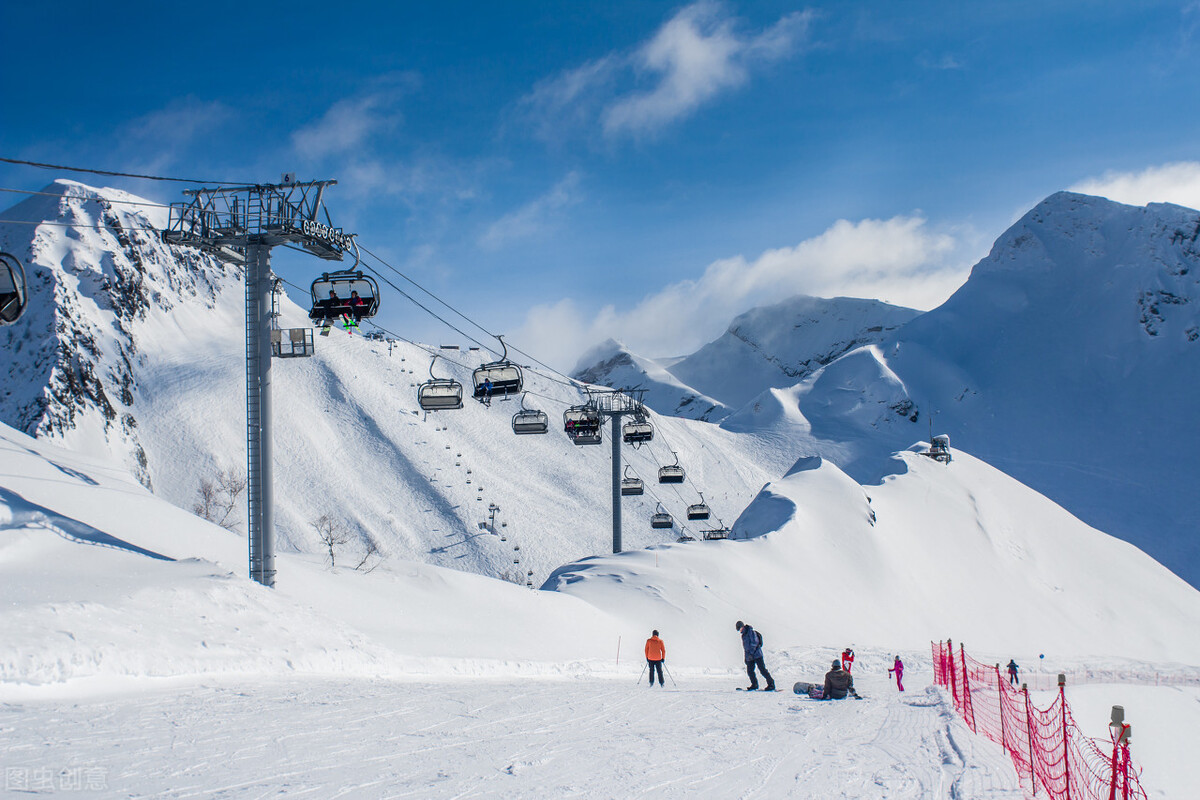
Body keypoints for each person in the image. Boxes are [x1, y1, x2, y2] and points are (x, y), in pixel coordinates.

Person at [735, 621, 774, 691]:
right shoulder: (743, 635)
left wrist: (751, 653)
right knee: (750, 671)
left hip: (757, 655)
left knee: (762, 670)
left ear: (742, 626)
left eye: (740, 628)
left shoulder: (750, 632)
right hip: (750, 656)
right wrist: (746, 658)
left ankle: (771, 684)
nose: (740, 631)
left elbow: (754, 643)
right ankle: (754, 685)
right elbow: (746, 648)